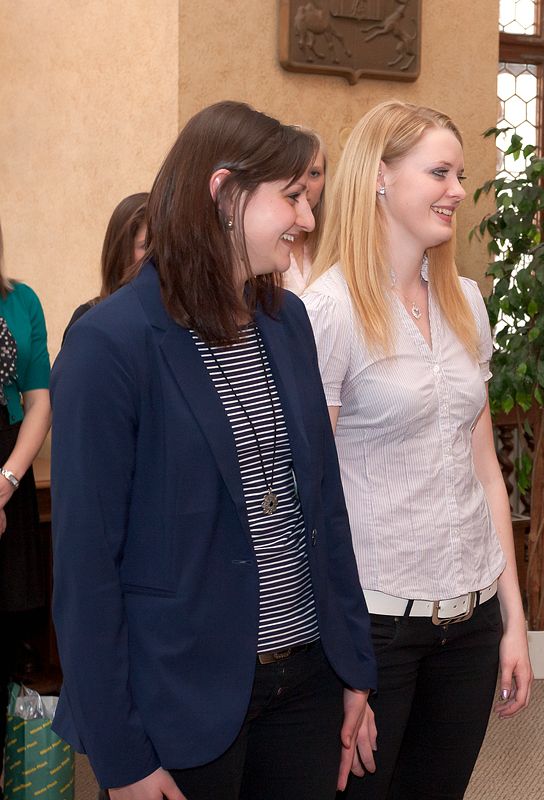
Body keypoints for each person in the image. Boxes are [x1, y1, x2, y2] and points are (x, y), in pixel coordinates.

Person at [51, 100, 376, 800]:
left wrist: (354, 669)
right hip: (179, 699)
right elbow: (85, 569)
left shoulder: (287, 323)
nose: (307, 220)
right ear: (225, 193)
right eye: (292, 197)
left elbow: (325, 507)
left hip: (306, 685)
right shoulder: (110, 342)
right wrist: (121, 759)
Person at [302, 99, 531, 799]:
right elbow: (312, 501)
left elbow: (486, 472)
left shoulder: (465, 300)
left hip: (471, 616)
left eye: (461, 175)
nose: (458, 191)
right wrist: (344, 665)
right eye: (439, 173)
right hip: (376, 626)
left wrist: (513, 621)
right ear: (379, 175)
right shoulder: (329, 310)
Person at [0, 215, 53, 681]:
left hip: (10, 464)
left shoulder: (22, 301)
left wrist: (6, 483)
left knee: (10, 627)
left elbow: (39, 400)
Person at [64, 191, 149, 337]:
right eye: (145, 246)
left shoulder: (179, 318)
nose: (158, 256)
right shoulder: (89, 321)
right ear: (121, 253)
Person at [282, 129, 327, 293]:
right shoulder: (259, 246)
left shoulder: (338, 247)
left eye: (314, 173)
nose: (304, 186)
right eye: (294, 172)